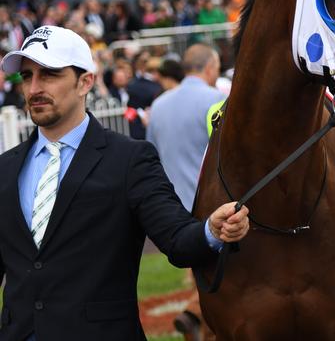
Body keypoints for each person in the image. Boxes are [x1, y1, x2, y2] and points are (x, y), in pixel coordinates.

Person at [0, 26, 250, 341]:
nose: (34, 87)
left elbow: (176, 237)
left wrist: (211, 231)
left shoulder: (129, 159)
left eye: (49, 74)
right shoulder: (6, 169)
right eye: (26, 76)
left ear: (85, 82)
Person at [146, 44, 226, 211]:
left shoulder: (158, 104)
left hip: (170, 209)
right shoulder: (218, 99)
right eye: (218, 68)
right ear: (210, 68)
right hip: (210, 210)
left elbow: (152, 157)